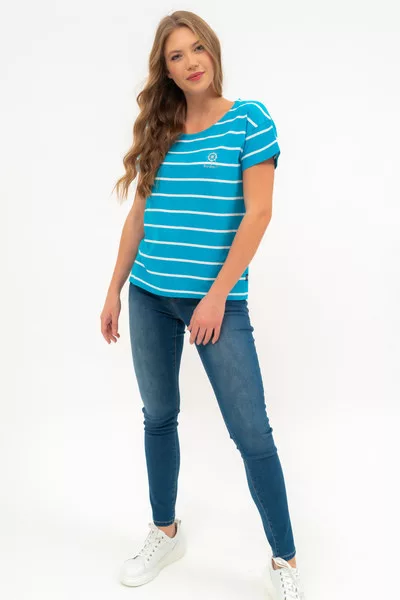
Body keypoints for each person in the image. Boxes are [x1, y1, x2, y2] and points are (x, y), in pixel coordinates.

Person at [101, 9, 306, 600]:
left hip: (218, 304)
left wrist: (215, 298)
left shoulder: (248, 119)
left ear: (212, 51)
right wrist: (114, 288)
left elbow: (259, 214)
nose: (190, 62)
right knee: (158, 416)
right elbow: (138, 218)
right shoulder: (161, 130)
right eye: (176, 56)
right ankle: (165, 532)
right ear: (165, 70)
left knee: (252, 433)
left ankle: (285, 560)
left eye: (197, 49)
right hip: (148, 295)